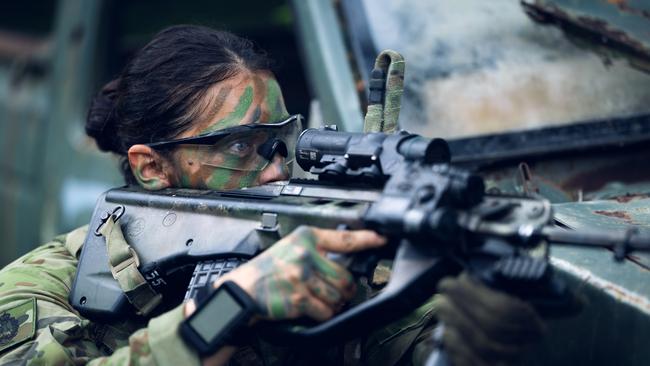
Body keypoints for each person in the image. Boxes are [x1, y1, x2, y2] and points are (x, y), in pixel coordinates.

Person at [0, 25, 544, 366]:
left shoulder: (297, 251)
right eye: (240, 145)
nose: (274, 170)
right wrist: (235, 305)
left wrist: (464, 331)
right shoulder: (36, 286)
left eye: (279, 141)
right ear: (151, 166)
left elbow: (395, 342)